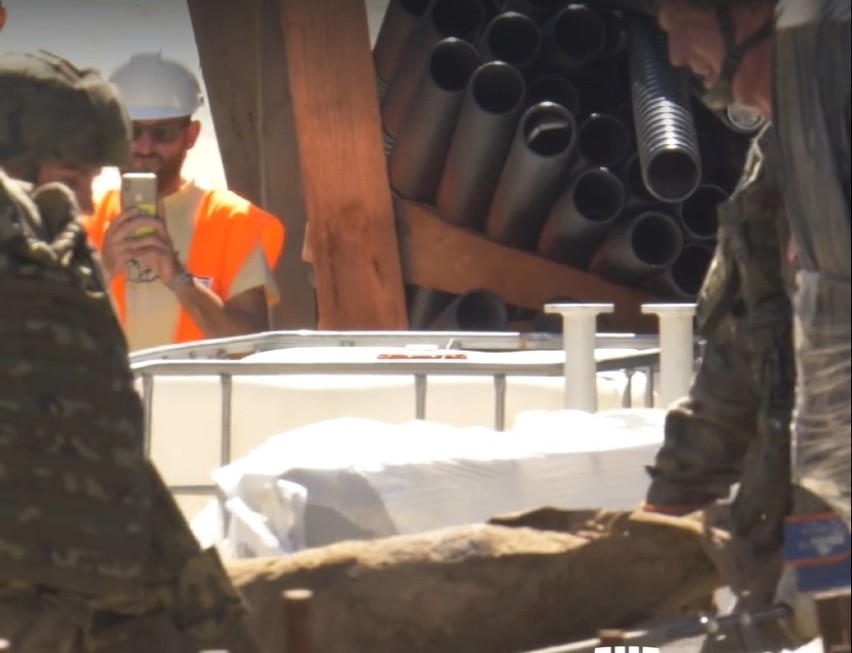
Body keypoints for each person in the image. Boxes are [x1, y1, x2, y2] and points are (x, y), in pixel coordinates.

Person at [0, 49, 263, 652]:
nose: (89, 206)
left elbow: (107, 457)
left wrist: (216, 619)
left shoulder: (51, 266)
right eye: (71, 179)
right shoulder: (38, 272)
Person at [631, 0, 850, 644]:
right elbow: (740, 352)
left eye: (684, 27)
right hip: (805, 525)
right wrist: (672, 498)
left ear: (751, 13)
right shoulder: (777, 167)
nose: (674, 57)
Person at [85, 52, 285, 352]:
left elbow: (250, 347)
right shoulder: (83, 221)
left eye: (162, 133)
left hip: (197, 398)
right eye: (131, 131)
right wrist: (104, 271)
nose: (144, 147)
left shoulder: (231, 220)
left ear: (191, 135)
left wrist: (180, 280)